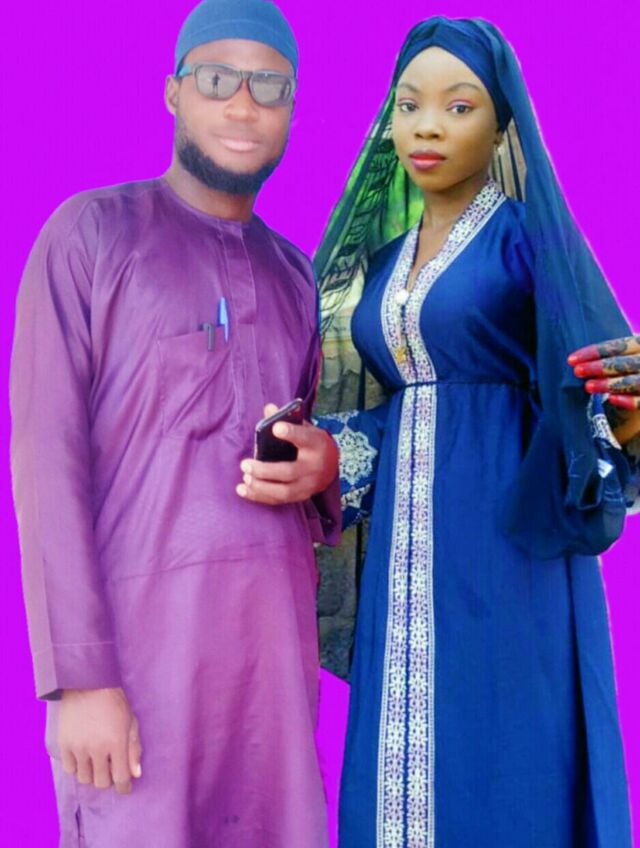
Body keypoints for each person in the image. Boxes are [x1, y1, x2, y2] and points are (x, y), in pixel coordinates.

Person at [243, 16, 640, 848]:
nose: (427, 126)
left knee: (505, 764)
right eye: (409, 105)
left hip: (511, 553)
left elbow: (599, 387)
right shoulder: (384, 264)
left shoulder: (528, 243)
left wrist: (626, 418)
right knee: (397, 767)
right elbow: (403, 409)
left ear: (501, 125)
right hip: (403, 564)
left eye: (458, 107)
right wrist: (333, 454)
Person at [9, 1, 340, 846]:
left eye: (269, 87)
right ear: (173, 93)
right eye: (218, 79)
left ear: (293, 109)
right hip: (140, 671)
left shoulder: (296, 276)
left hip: (270, 678)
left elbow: (301, 469)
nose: (243, 106)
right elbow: (45, 457)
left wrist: (322, 471)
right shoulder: (90, 235)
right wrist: (79, 679)